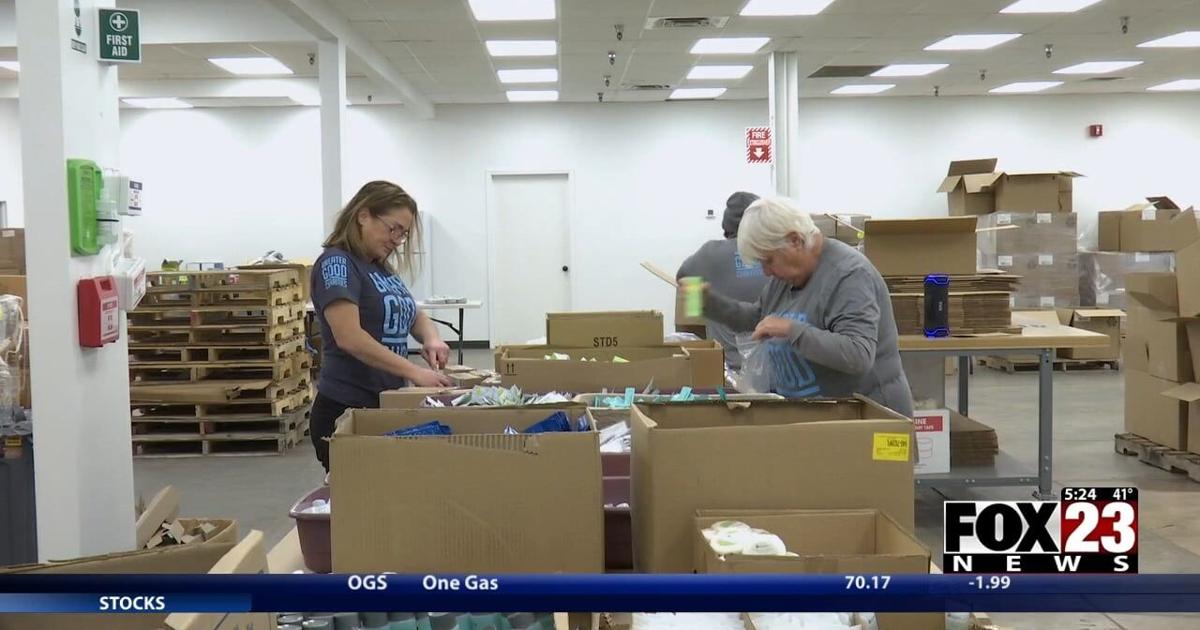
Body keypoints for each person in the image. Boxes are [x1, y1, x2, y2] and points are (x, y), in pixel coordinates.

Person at [704, 196, 914, 417]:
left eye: (768, 260)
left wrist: (791, 330)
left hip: (869, 421)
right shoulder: (785, 279)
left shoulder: (849, 275)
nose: (765, 272)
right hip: (822, 420)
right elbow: (758, 320)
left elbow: (858, 354)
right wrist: (709, 304)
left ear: (795, 241)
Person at [309, 180, 454, 471]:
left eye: (404, 233)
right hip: (346, 409)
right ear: (364, 216)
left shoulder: (379, 268)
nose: (397, 239)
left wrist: (431, 338)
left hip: (381, 405)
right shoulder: (337, 264)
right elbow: (349, 337)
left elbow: (412, 313)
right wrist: (414, 372)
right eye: (393, 228)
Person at [676, 191, 768, 369]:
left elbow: (684, 281)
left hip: (725, 368)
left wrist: (698, 309)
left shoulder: (709, 254)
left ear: (726, 224)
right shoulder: (773, 253)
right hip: (774, 370)